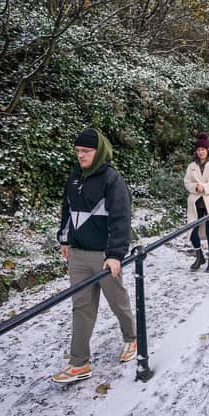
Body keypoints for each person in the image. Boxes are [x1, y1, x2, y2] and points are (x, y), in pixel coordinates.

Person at [53, 128, 136, 384]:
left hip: (103, 255)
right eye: (78, 151)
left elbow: (121, 219)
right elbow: (67, 208)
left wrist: (115, 255)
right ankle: (79, 363)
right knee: (81, 307)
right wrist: (65, 238)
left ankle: (132, 338)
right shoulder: (74, 177)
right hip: (78, 254)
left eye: (86, 151)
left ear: (98, 151)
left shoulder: (112, 179)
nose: (81, 156)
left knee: (117, 300)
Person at [184, 132, 209, 272]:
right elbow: (187, 182)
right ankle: (199, 256)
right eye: (199, 150)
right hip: (196, 202)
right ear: (196, 151)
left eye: (203, 149)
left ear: (207, 150)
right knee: (192, 231)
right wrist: (195, 187)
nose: (201, 152)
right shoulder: (191, 166)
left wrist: (205, 187)